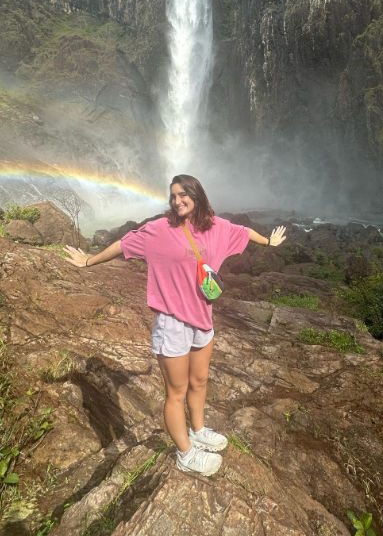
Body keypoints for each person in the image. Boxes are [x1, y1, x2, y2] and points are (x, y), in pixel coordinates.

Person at [64, 173, 286, 477]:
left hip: (203, 319)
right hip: (172, 324)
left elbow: (244, 231)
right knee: (176, 392)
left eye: (183, 194)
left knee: (200, 381)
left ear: (197, 195)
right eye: (173, 196)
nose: (177, 200)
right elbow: (123, 244)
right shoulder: (159, 230)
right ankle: (185, 454)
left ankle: (197, 430)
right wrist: (89, 261)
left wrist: (269, 242)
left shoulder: (216, 227)